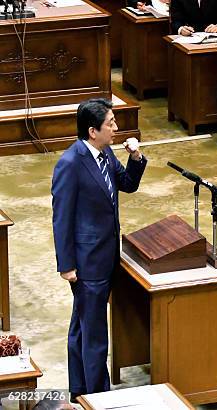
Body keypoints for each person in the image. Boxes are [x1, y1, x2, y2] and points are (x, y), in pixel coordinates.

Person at [52, 99, 147, 401]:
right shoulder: (70, 164)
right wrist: (66, 265)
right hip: (87, 262)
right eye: (110, 123)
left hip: (107, 256)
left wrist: (136, 156)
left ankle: (79, 390)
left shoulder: (105, 153)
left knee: (81, 327)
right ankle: (98, 397)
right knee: (94, 336)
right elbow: (62, 218)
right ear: (93, 131)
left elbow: (128, 184)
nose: (116, 128)